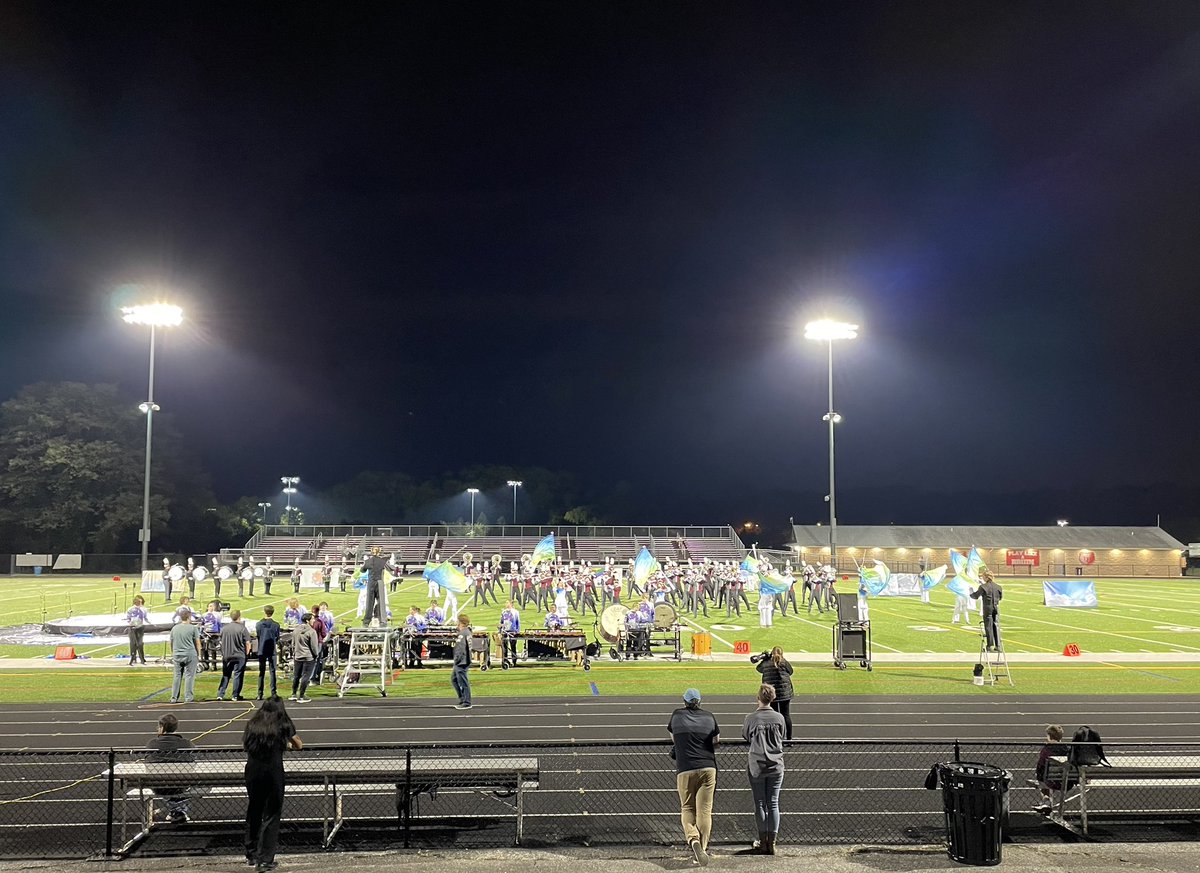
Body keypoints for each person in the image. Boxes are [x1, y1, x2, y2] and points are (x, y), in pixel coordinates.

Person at [243, 696, 302, 872]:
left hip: (253, 770)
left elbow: (247, 745)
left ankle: (251, 852)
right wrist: (286, 745)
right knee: (272, 813)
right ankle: (265, 858)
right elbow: (298, 744)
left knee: (254, 809)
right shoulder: (283, 723)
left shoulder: (253, 723)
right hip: (273, 771)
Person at [668, 688, 719, 867]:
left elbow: (673, 738)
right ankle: (702, 849)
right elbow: (716, 740)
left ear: (684, 701)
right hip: (707, 767)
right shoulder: (709, 717)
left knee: (687, 807)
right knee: (705, 810)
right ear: (700, 701)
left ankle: (693, 839)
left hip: (685, 767)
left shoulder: (676, 715)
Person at [741, 684, 787, 855]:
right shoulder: (779, 718)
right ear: (772, 698)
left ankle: (762, 841)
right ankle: (772, 842)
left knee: (760, 803)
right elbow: (782, 736)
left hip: (757, 766)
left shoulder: (751, 718)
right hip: (776, 765)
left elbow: (746, 736)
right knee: (773, 803)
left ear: (758, 698)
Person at [145, 713, 196, 824]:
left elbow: (148, 764)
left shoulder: (152, 744)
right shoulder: (187, 744)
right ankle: (177, 810)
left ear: (162, 727)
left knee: (166, 779)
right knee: (186, 780)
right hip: (182, 785)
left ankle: (176, 810)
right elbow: (193, 763)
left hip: (158, 785)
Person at [756, 646, 794, 740]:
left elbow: (759, 669)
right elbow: (791, 671)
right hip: (785, 692)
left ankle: (776, 737)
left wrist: (764, 659)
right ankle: (789, 738)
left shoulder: (766, 663)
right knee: (786, 715)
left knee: (774, 715)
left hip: (771, 693)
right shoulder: (784, 662)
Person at [1034, 724, 1072, 815]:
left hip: (1050, 781)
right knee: (1052, 774)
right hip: (1067, 782)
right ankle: (1046, 801)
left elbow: (1040, 766)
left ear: (1049, 736)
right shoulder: (1068, 749)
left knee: (1041, 775)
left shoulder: (1046, 750)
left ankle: (1046, 799)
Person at [216, 609, 251, 701]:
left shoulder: (224, 629)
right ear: (239, 617)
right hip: (239, 655)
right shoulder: (242, 628)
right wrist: (246, 654)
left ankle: (220, 694)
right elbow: (248, 643)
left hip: (227, 655)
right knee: (238, 675)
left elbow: (221, 642)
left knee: (226, 675)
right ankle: (235, 695)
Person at [359, 546, 398, 626]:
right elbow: (391, 568)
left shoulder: (368, 561)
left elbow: (362, 570)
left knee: (369, 602)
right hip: (379, 582)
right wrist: (394, 564)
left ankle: (366, 622)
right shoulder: (382, 561)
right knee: (381, 603)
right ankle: (382, 621)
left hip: (371, 583)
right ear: (379, 552)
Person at [169, 607, 201, 704]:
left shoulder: (174, 628)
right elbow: (197, 642)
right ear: (189, 617)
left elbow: (171, 641)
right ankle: (188, 697)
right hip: (190, 654)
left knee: (177, 676)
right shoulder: (193, 628)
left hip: (177, 654)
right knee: (189, 676)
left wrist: (173, 652)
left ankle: (174, 697)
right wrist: (199, 655)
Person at [289, 613, 320, 703]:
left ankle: (293, 694)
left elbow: (293, 644)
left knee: (296, 676)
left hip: (298, 656)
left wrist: (295, 653)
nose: (314, 621)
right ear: (307, 620)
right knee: (306, 676)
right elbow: (314, 646)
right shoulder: (312, 631)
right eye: (312, 619)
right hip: (308, 657)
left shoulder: (296, 630)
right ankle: (301, 696)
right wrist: (316, 654)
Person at [971, 570, 1004, 651]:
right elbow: (1000, 597)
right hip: (996, 607)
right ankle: (998, 645)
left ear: (986, 577)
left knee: (988, 626)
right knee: (996, 626)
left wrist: (970, 592)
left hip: (987, 608)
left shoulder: (983, 587)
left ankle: (989, 645)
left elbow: (975, 596)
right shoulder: (998, 587)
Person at [255, 605, 281, 700]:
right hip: (272, 650)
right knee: (272, 672)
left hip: (262, 649)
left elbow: (258, 635)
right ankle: (273, 692)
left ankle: (260, 693)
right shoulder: (276, 625)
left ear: (264, 612)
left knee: (261, 672)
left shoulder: (259, 624)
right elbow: (277, 637)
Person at [451, 613, 472, 710]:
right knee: (454, 679)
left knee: (463, 681)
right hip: (463, 660)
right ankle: (462, 698)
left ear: (461, 622)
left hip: (461, 661)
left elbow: (461, 649)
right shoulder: (467, 632)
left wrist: (457, 660)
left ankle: (466, 701)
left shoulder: (463, 634)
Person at [126, 595, 149, 666]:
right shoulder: (131, 609)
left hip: (138, 627)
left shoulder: (143, 609)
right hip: (133, 628)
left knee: (138, 643)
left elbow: (145, 618)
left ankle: (141, 658)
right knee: (134, 643)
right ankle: (134, 658)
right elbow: (128, 618)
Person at [499, 600, 520, 667]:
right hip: (504, 631)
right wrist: (500, 630)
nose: (506, 604)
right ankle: (505, 661)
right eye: (506, 603)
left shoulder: (515, 612)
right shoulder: (503, 612)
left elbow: (517, 622)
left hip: (512, 631)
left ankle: (514, 661)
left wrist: (517, 631)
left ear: (511, 604)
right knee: (504, 647)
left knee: (513, 646)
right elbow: (501, 621)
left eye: (507, 603)